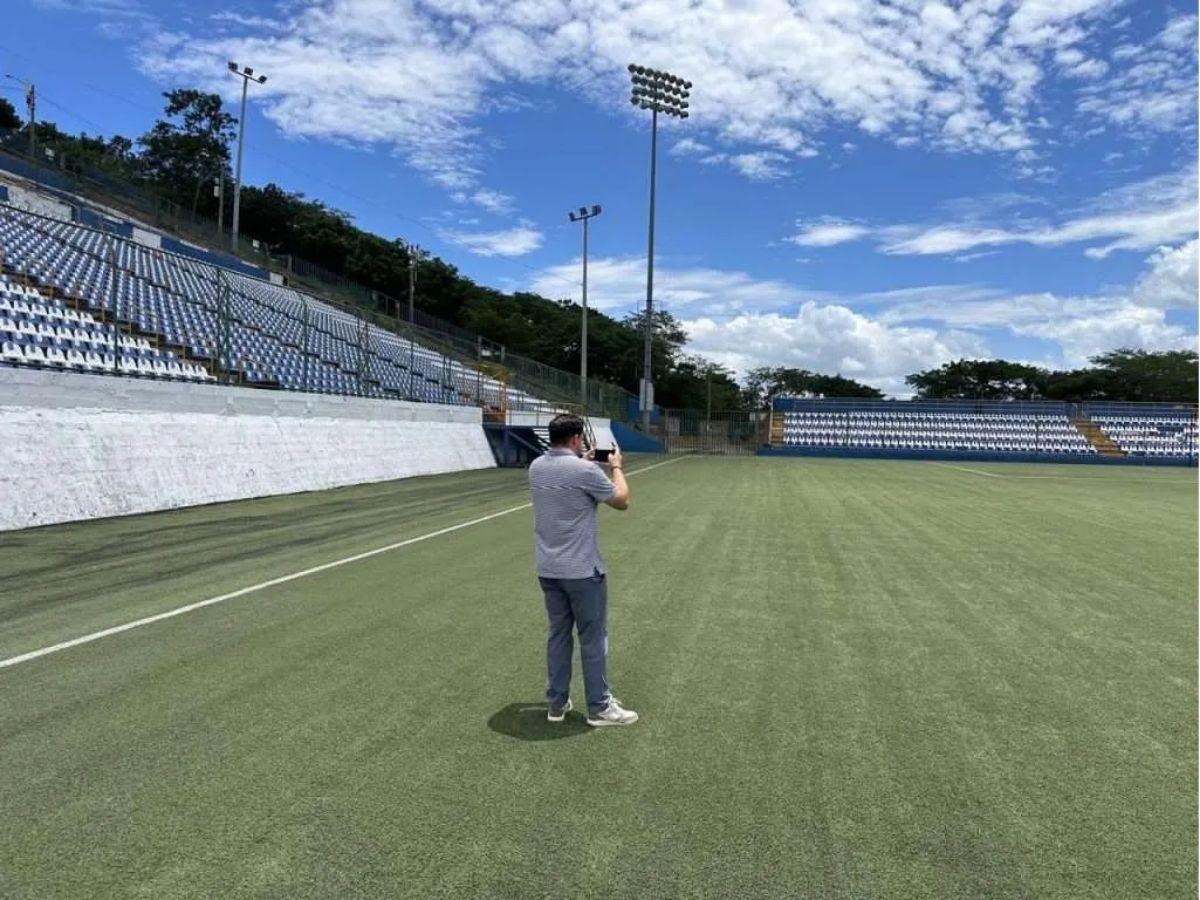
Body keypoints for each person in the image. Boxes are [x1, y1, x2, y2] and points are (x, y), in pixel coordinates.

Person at [528, 414, 637, 727]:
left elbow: (566, 484)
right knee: (593, 637)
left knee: (559, 635)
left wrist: (584, 463)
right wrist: (615, 467)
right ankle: (600, 707)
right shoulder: (584, 470)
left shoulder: (536, 467)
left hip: (548, 569)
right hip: (582, 571)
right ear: (576, 438)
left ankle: (557, 703)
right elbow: (622, 500)